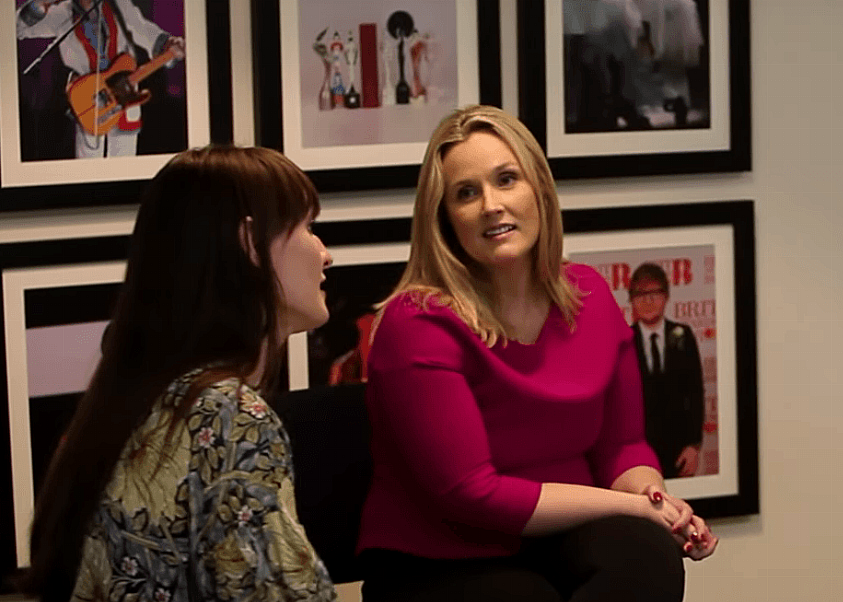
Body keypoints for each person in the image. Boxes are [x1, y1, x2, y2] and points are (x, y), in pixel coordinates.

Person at [355, 105, 718, 602]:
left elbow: (623, 446)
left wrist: (654, 500)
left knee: (647, 553)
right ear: (444, 219)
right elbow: (471, 493)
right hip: (445, 558)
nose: (490, 204)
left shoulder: (589, 295)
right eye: (466, 193)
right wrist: (633, 509)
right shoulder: (415, 321)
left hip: (563, 537)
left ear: (540, 192)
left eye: (507, 180)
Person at [19, 145, 337, 602]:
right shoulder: (230, 417)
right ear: (249, 243)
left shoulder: (136, 401)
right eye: (308, 227)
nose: (326, 255)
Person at [16, 0, 186, 158]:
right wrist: (41, 3)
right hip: (88, 99)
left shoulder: (118, 4)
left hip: (124, 95)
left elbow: (143, 29)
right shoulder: (62, 13)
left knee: (124, 165)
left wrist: (168, 44)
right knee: (89, 165)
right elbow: (17, 28)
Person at [629, 263, 706, 478]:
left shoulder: (684, 335)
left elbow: (695, 392)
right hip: (638, 453)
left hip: (679, 450)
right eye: (641, 294)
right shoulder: (624, 340)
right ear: (632, 300)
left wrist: (693, 445)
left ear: (666, 296)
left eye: (655, 293)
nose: (648, 301)